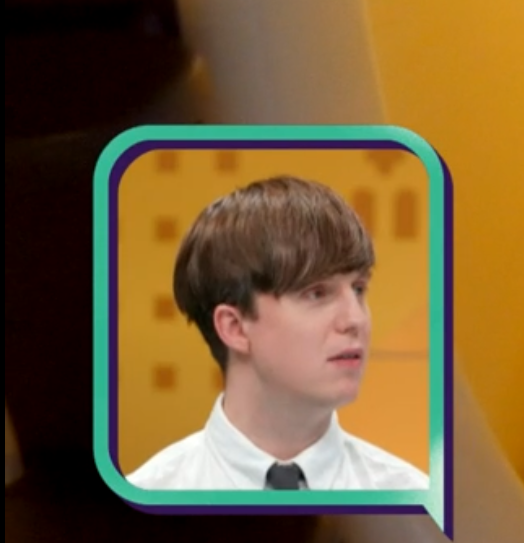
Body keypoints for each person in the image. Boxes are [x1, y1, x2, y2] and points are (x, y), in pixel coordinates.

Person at [126, 175, 428, 491]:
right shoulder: (150, 496)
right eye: (316, 293)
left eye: (358, 289)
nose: (356, 319)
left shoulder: (413, 500)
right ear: (234, 327)